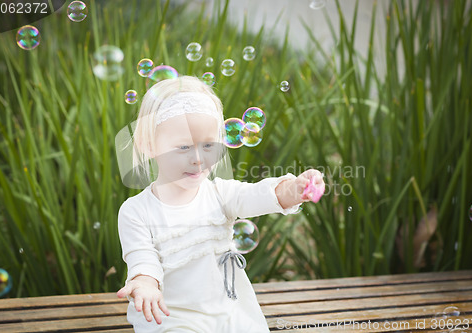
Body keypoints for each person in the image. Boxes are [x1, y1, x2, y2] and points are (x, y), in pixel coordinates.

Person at [116, 75, 325, 332]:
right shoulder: (137, 211)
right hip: (172, 316)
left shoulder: (219, 194)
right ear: (149, 145)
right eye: (183, 147)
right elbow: (142, 258)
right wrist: (145, 284)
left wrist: (294, 189)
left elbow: (257, 196)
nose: (198, 158)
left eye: (208, 145)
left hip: (226, 309)